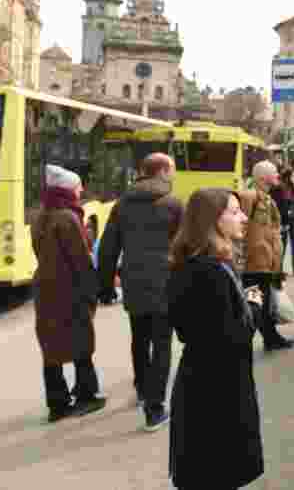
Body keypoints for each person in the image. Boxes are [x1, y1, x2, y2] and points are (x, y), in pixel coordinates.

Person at [167, 188, 263, 490]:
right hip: (217, 393)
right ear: (212, 220)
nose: (243, 218)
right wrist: (255, 307)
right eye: (234, 212)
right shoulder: (210, 270)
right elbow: (232, 337)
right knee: (216, 474)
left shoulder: (195, 263)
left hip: (203, 384)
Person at [97, 153, 184, 432]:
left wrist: (106, 287)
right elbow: (184, 245)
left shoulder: (122, 204)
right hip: (165, 282)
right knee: (161, 343)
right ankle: (155, 409)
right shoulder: (173, 204)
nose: (173, 174)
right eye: (171, 169)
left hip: (133, 282)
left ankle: (143, 389)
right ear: (161, 171)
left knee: (139, 337)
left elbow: (109, 247)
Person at [32, 165, 107, 423]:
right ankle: (87, 395)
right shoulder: (68, 218)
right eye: (77, 187)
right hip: (70, 289)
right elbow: (80, 260)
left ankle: (57, 403)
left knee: (51, 348)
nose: (81, 190)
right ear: (66, 190)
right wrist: (92, 292)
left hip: (46, 289)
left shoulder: (41, 216)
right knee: (80, 342)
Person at [239, 160, 294, 351]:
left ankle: (271, 338)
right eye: (274, 173)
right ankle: (246, 341)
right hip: (253, 265)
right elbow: (240, 228)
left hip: (265, 264)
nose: (278, 176)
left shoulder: (266, 198)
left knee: (263, 305)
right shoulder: (249, 197)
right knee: (254, 304)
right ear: (263, 177)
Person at [272, 169, 294, 276]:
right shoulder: (279, 187)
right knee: (282, 245)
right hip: (283, 220)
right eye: (293, 176)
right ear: (288, 177)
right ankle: (279, 269)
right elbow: (285, 201)